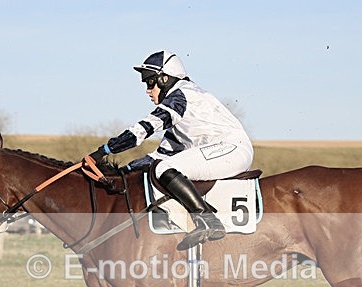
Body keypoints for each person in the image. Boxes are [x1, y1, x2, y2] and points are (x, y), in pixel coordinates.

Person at [88, 50, 253, 250]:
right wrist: (124, 172)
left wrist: (105, 150)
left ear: (165, 79)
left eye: (150, 82)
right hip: (223, 151)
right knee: (162, 165)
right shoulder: (180, 113)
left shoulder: (180, 96)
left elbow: (144, 129)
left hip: (230, 149)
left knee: (164, 168)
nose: (148, 90)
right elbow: (158, 156)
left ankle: (208, 220)